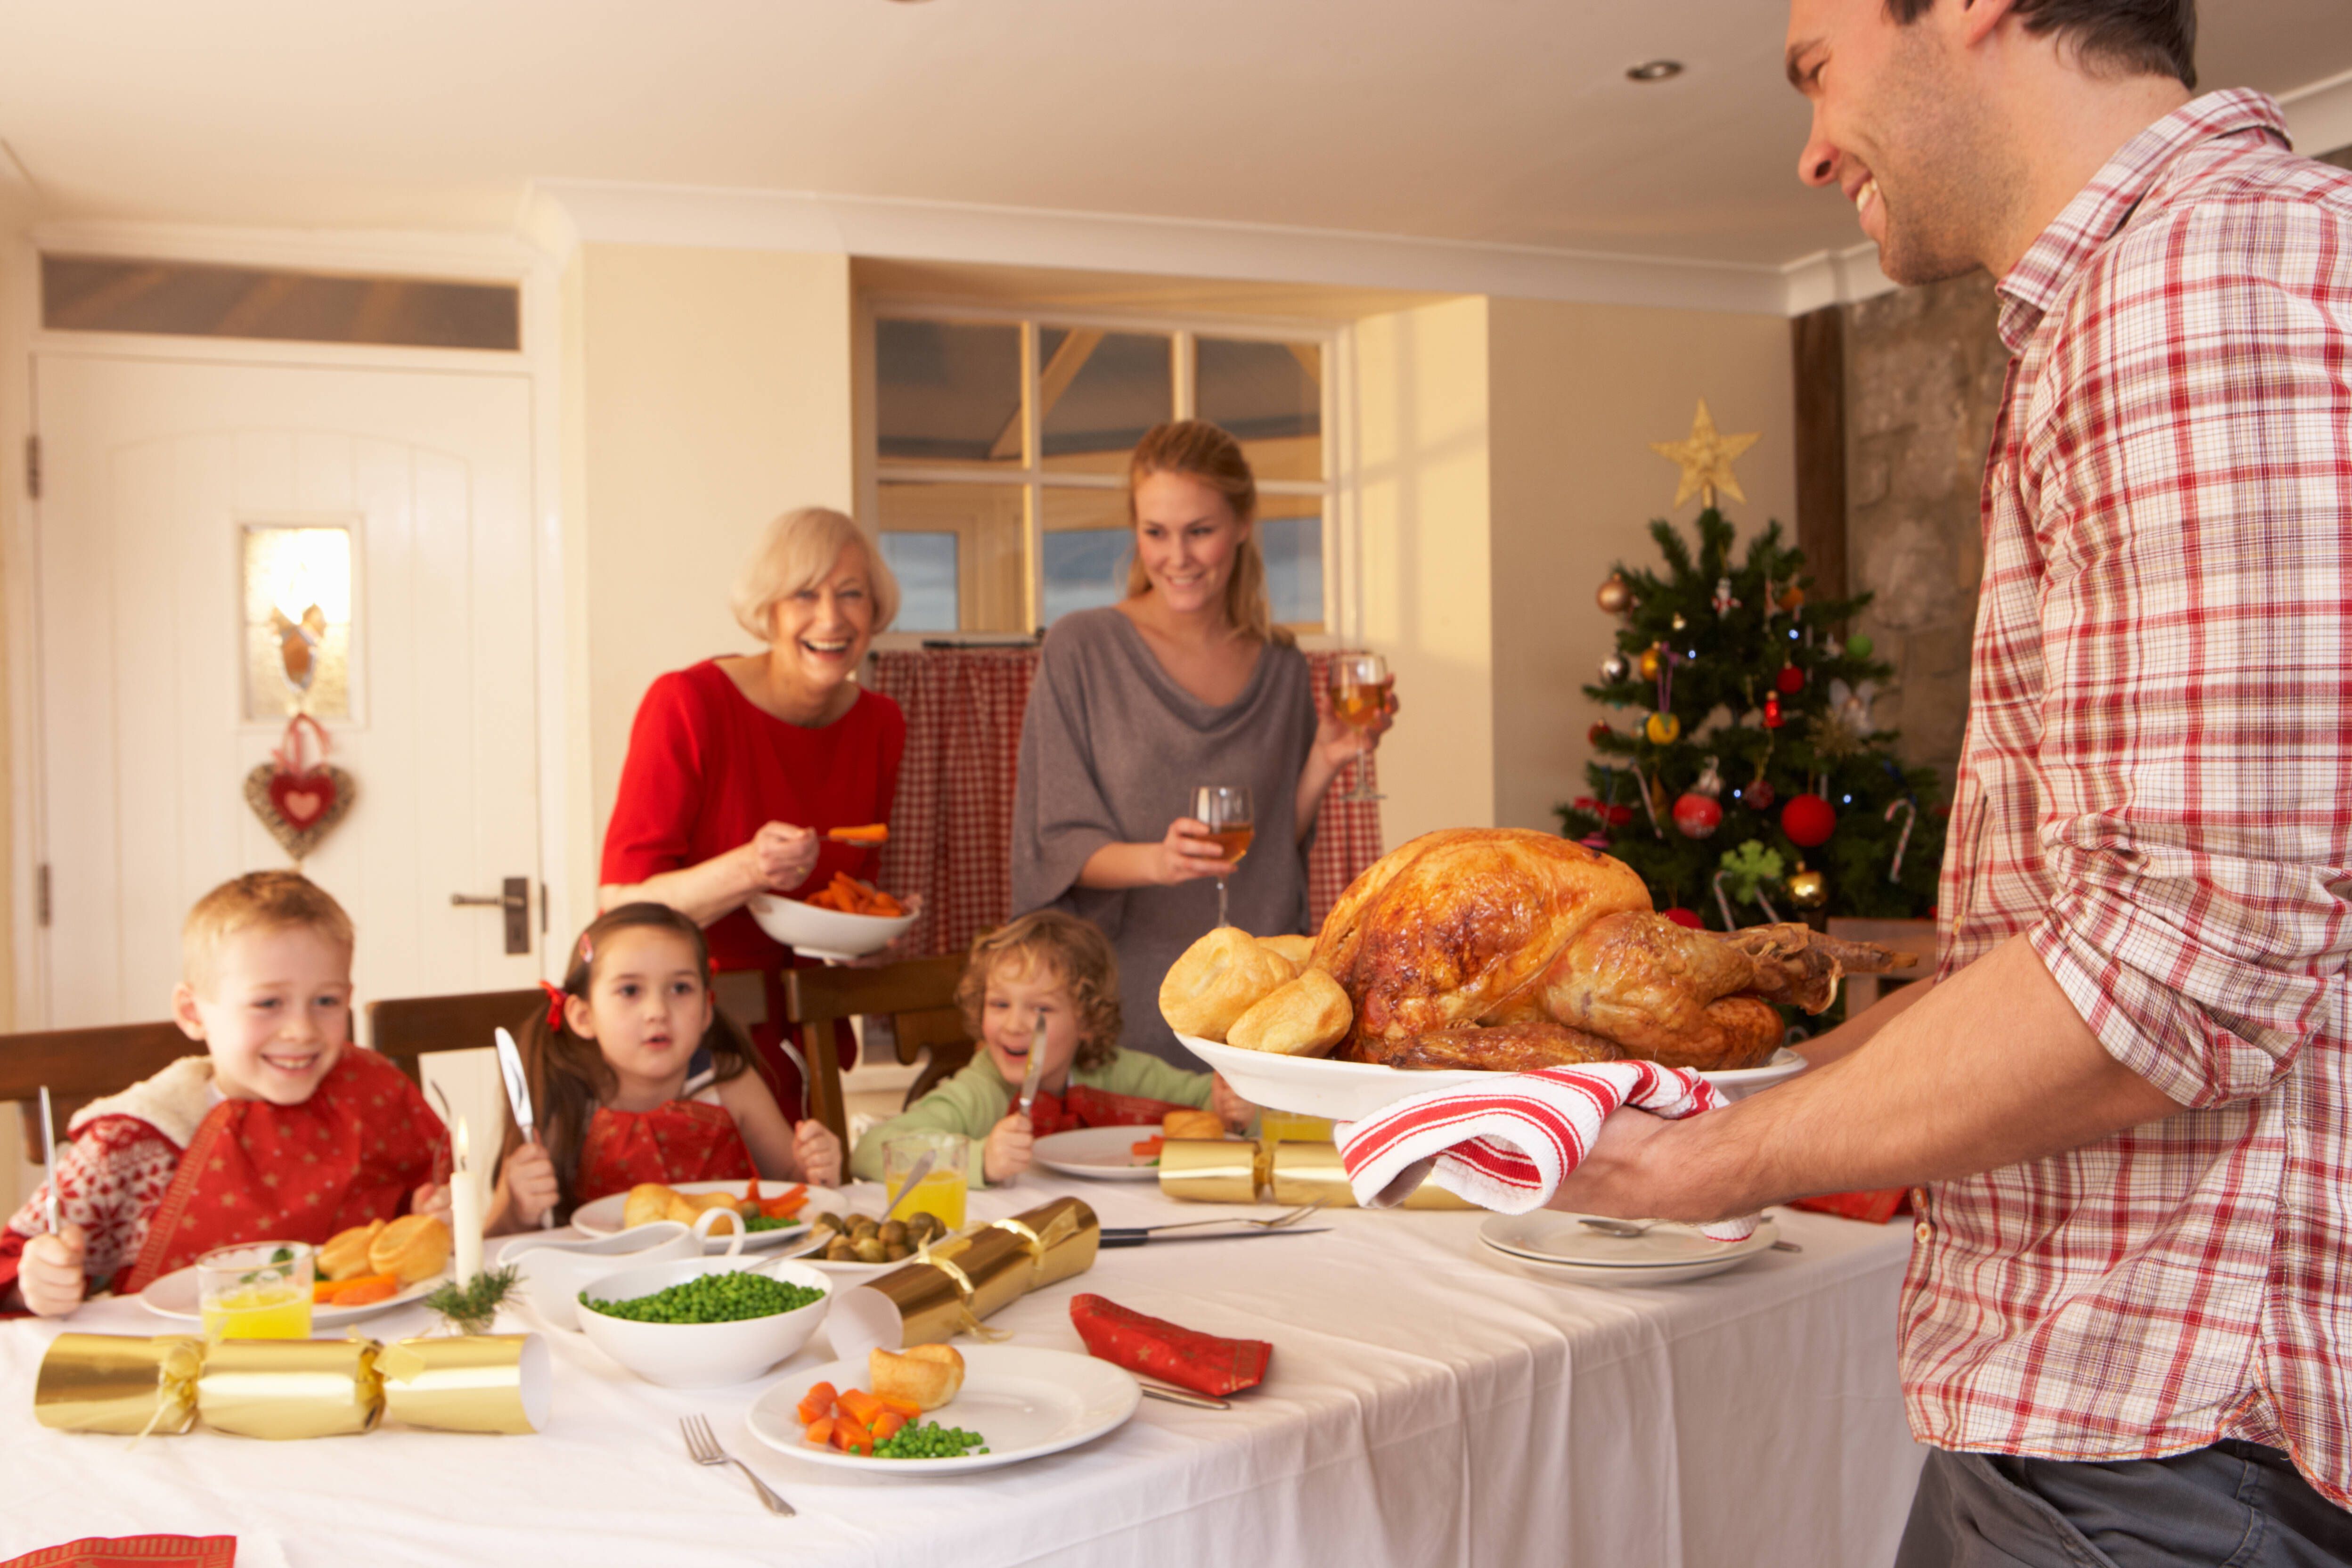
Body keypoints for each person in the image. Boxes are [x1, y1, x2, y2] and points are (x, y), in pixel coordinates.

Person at [1553, 1, 2352, 1558]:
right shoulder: (2183, 278)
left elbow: (2187, 958)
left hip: (2175, 1448)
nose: (1806, 148)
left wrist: (1714, 1158)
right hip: (2133, 1433)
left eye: (1816, 69)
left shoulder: (2190, 290)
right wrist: (1758, 1086)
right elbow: (2079, 940)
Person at [1011, 421, 1394, 1068]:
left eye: (1200, 531)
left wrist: (1326, 758)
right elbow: (1055, 843)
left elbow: (1275, 840)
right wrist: (1158, 861)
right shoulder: (1082, 648)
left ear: (1243, 524)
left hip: (1258, 1021)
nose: (1177, 557)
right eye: (1155, 532)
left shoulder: (1280, 665)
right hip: (1125, 1004)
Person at [0, 872, 449, 1317]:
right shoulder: (133, 1140)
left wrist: (434, 1215)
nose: (302, 1030)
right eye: (268, 1004)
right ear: (193, 1013)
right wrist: (34, 1284)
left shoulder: (372, 1092)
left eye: (326, 1002)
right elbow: (17, 1259)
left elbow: (431, 1210)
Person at [601, 506, 908, 1119]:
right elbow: (621, 906)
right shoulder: (688, 704)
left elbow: (843, 892)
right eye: (804, 594)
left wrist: (876, 919)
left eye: (852, 595)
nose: (832, 618)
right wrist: (749, 868)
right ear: (768, 610)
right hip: (684, 1034)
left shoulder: (880, 723)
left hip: (802, 1025)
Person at [490, 903, 842, 1231]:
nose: (657, 1010)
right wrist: (514, 1206)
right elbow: (494, 1239)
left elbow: (792, 1184)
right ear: (584, 1017)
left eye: (680, 988)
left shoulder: (729, 1082)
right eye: (630, 991)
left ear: (706, 1009)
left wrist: (816, 1167)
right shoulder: (565, 1096)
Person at [850, 911, 1252, 1187]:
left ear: (1088, 1021)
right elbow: (871, 1152)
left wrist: (1232, 1108)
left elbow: (1210, 1103)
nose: (1014, 1025)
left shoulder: (1119, 1074)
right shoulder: (979, 1091)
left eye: (1041, 1009)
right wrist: (980, 1160)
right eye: (1000, 1004)